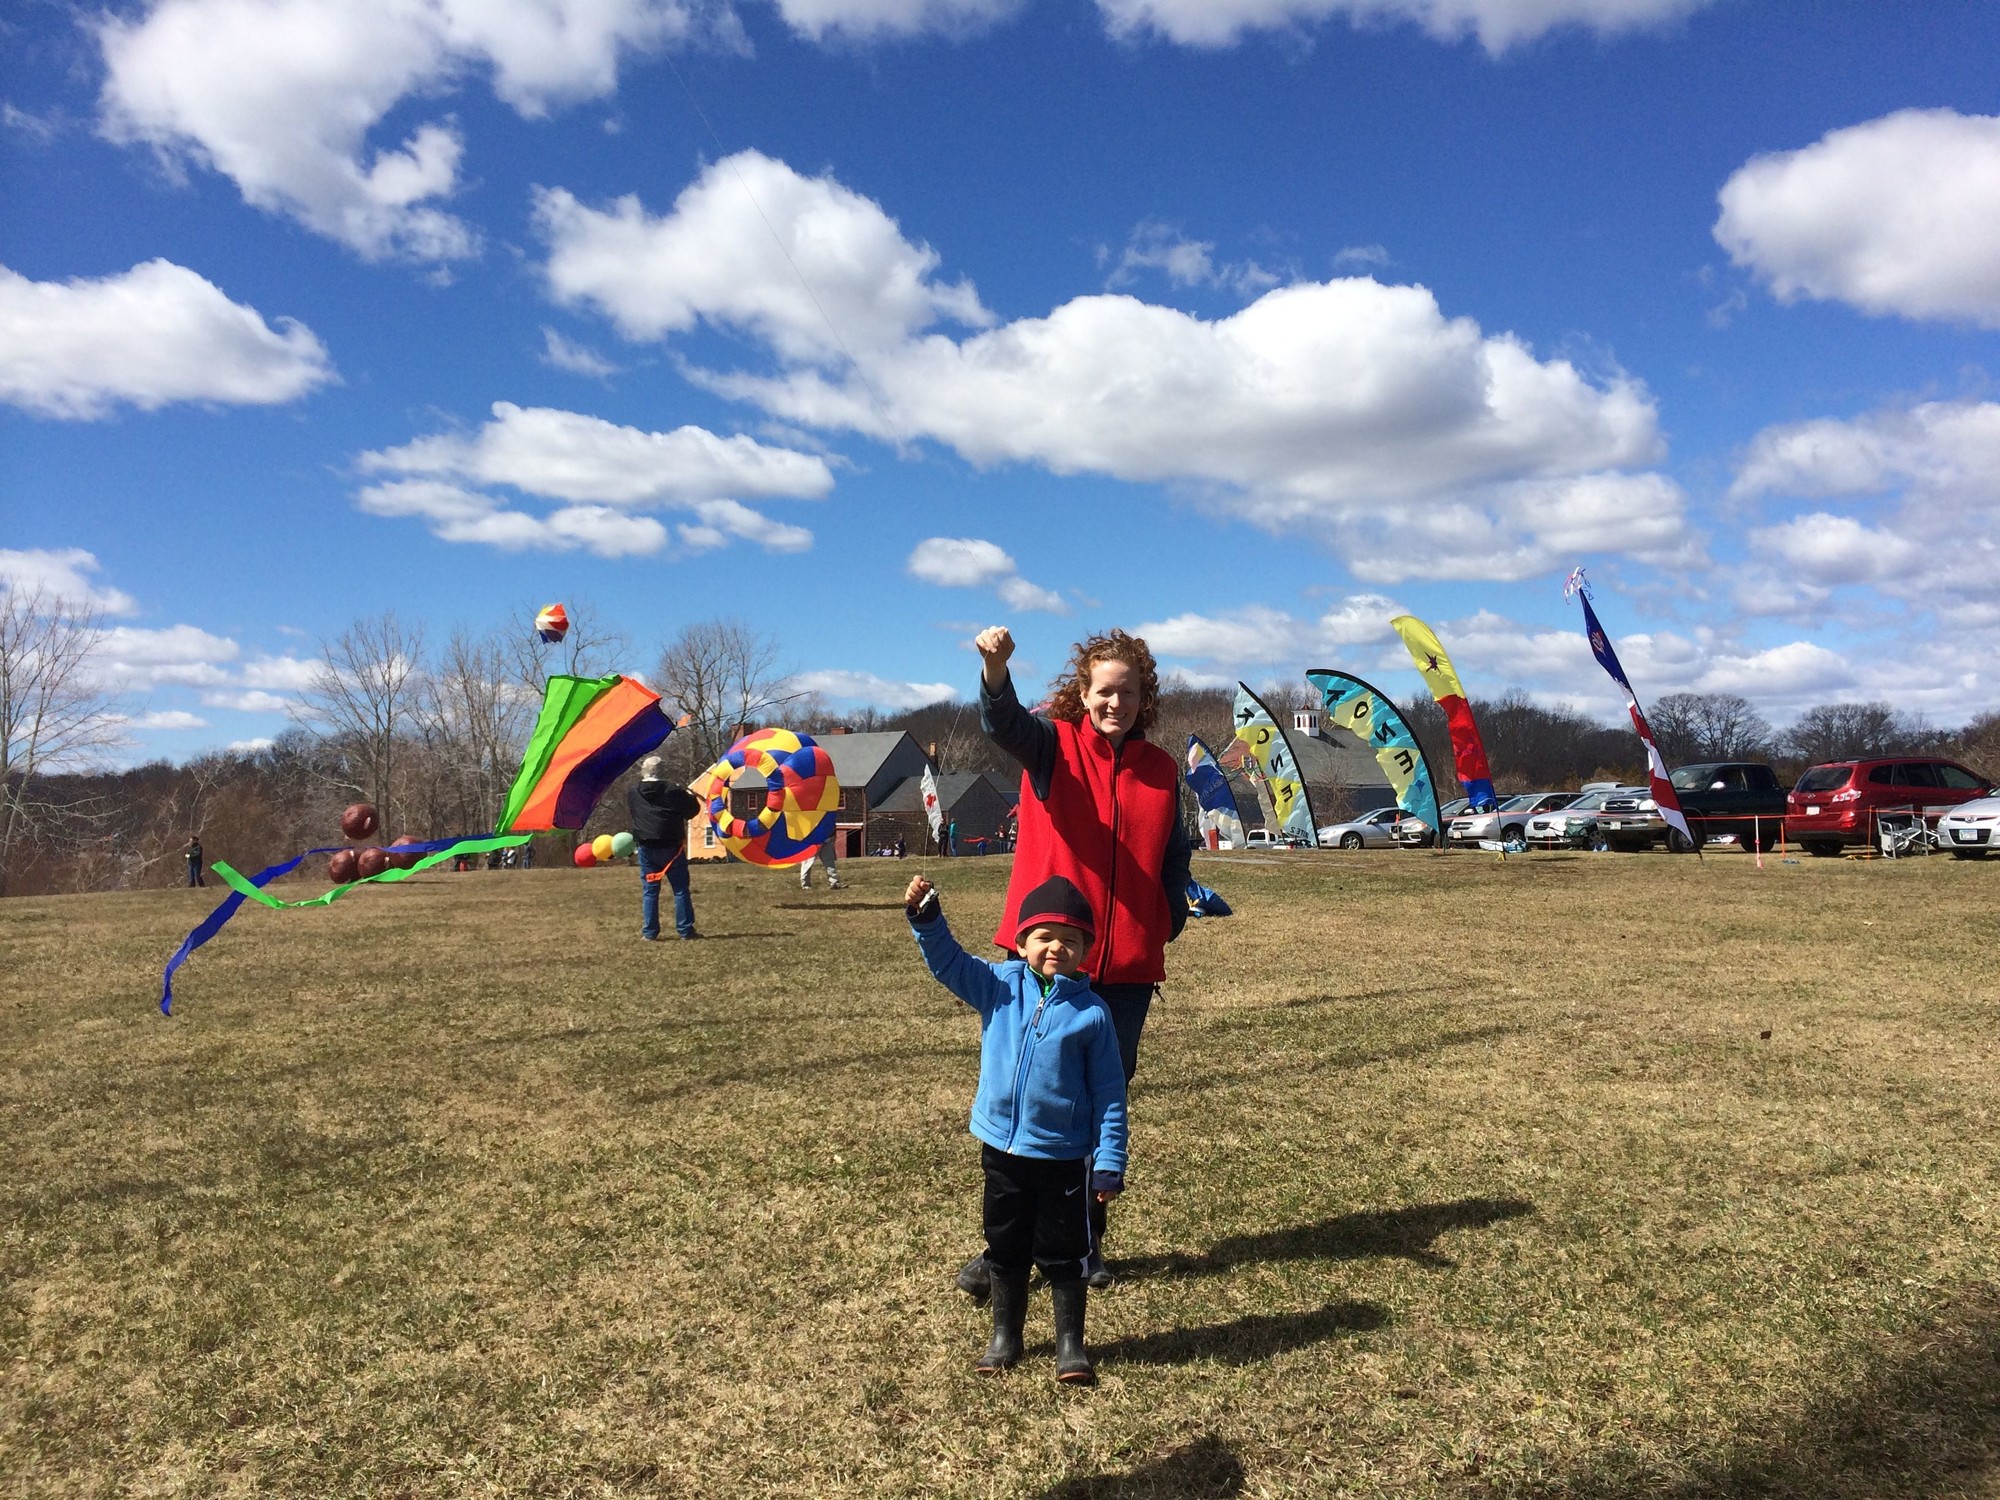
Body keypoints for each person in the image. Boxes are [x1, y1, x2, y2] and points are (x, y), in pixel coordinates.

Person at [966, 623, 1190, 1293]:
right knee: (1030, 1103)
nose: (1113, 703)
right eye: (1101, 691)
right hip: (1047, 966)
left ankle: (1086, 1246)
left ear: (1142, 697)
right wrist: (996, 670)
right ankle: (1009, 1249)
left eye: (1126, 692)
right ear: (1081, 693)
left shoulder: (1161, 770)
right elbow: (1003, 723)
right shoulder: (1053, 749)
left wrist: (1167, 915)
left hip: (1125, 975)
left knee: (1101, 1106)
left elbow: (1175, 853)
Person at [906, 872, 1125, 1384]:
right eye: (1045, 937)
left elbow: (1111, 1094)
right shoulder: (998, 986)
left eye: (1071, 940)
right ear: (1021, 942)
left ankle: (1071, 1344)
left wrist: (1110, 1160)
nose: (1057, 948)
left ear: (1086, 951)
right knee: (1005, 1244)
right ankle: (1006, 1336)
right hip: (1002, 1152)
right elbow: (948, 963)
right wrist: (927, 919)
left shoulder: (1093, 1015)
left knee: (1063, 1250)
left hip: (1064, 1158)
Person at [627, 756, 702, 940]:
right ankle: (685, 930)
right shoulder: (672, 790)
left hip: (646, 846)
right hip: (672, 846)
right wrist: (687, 795)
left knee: (650, 890)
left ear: (644, 770)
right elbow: (692, 811)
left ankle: (650, 932)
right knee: (680, 889)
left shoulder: (634, 792)